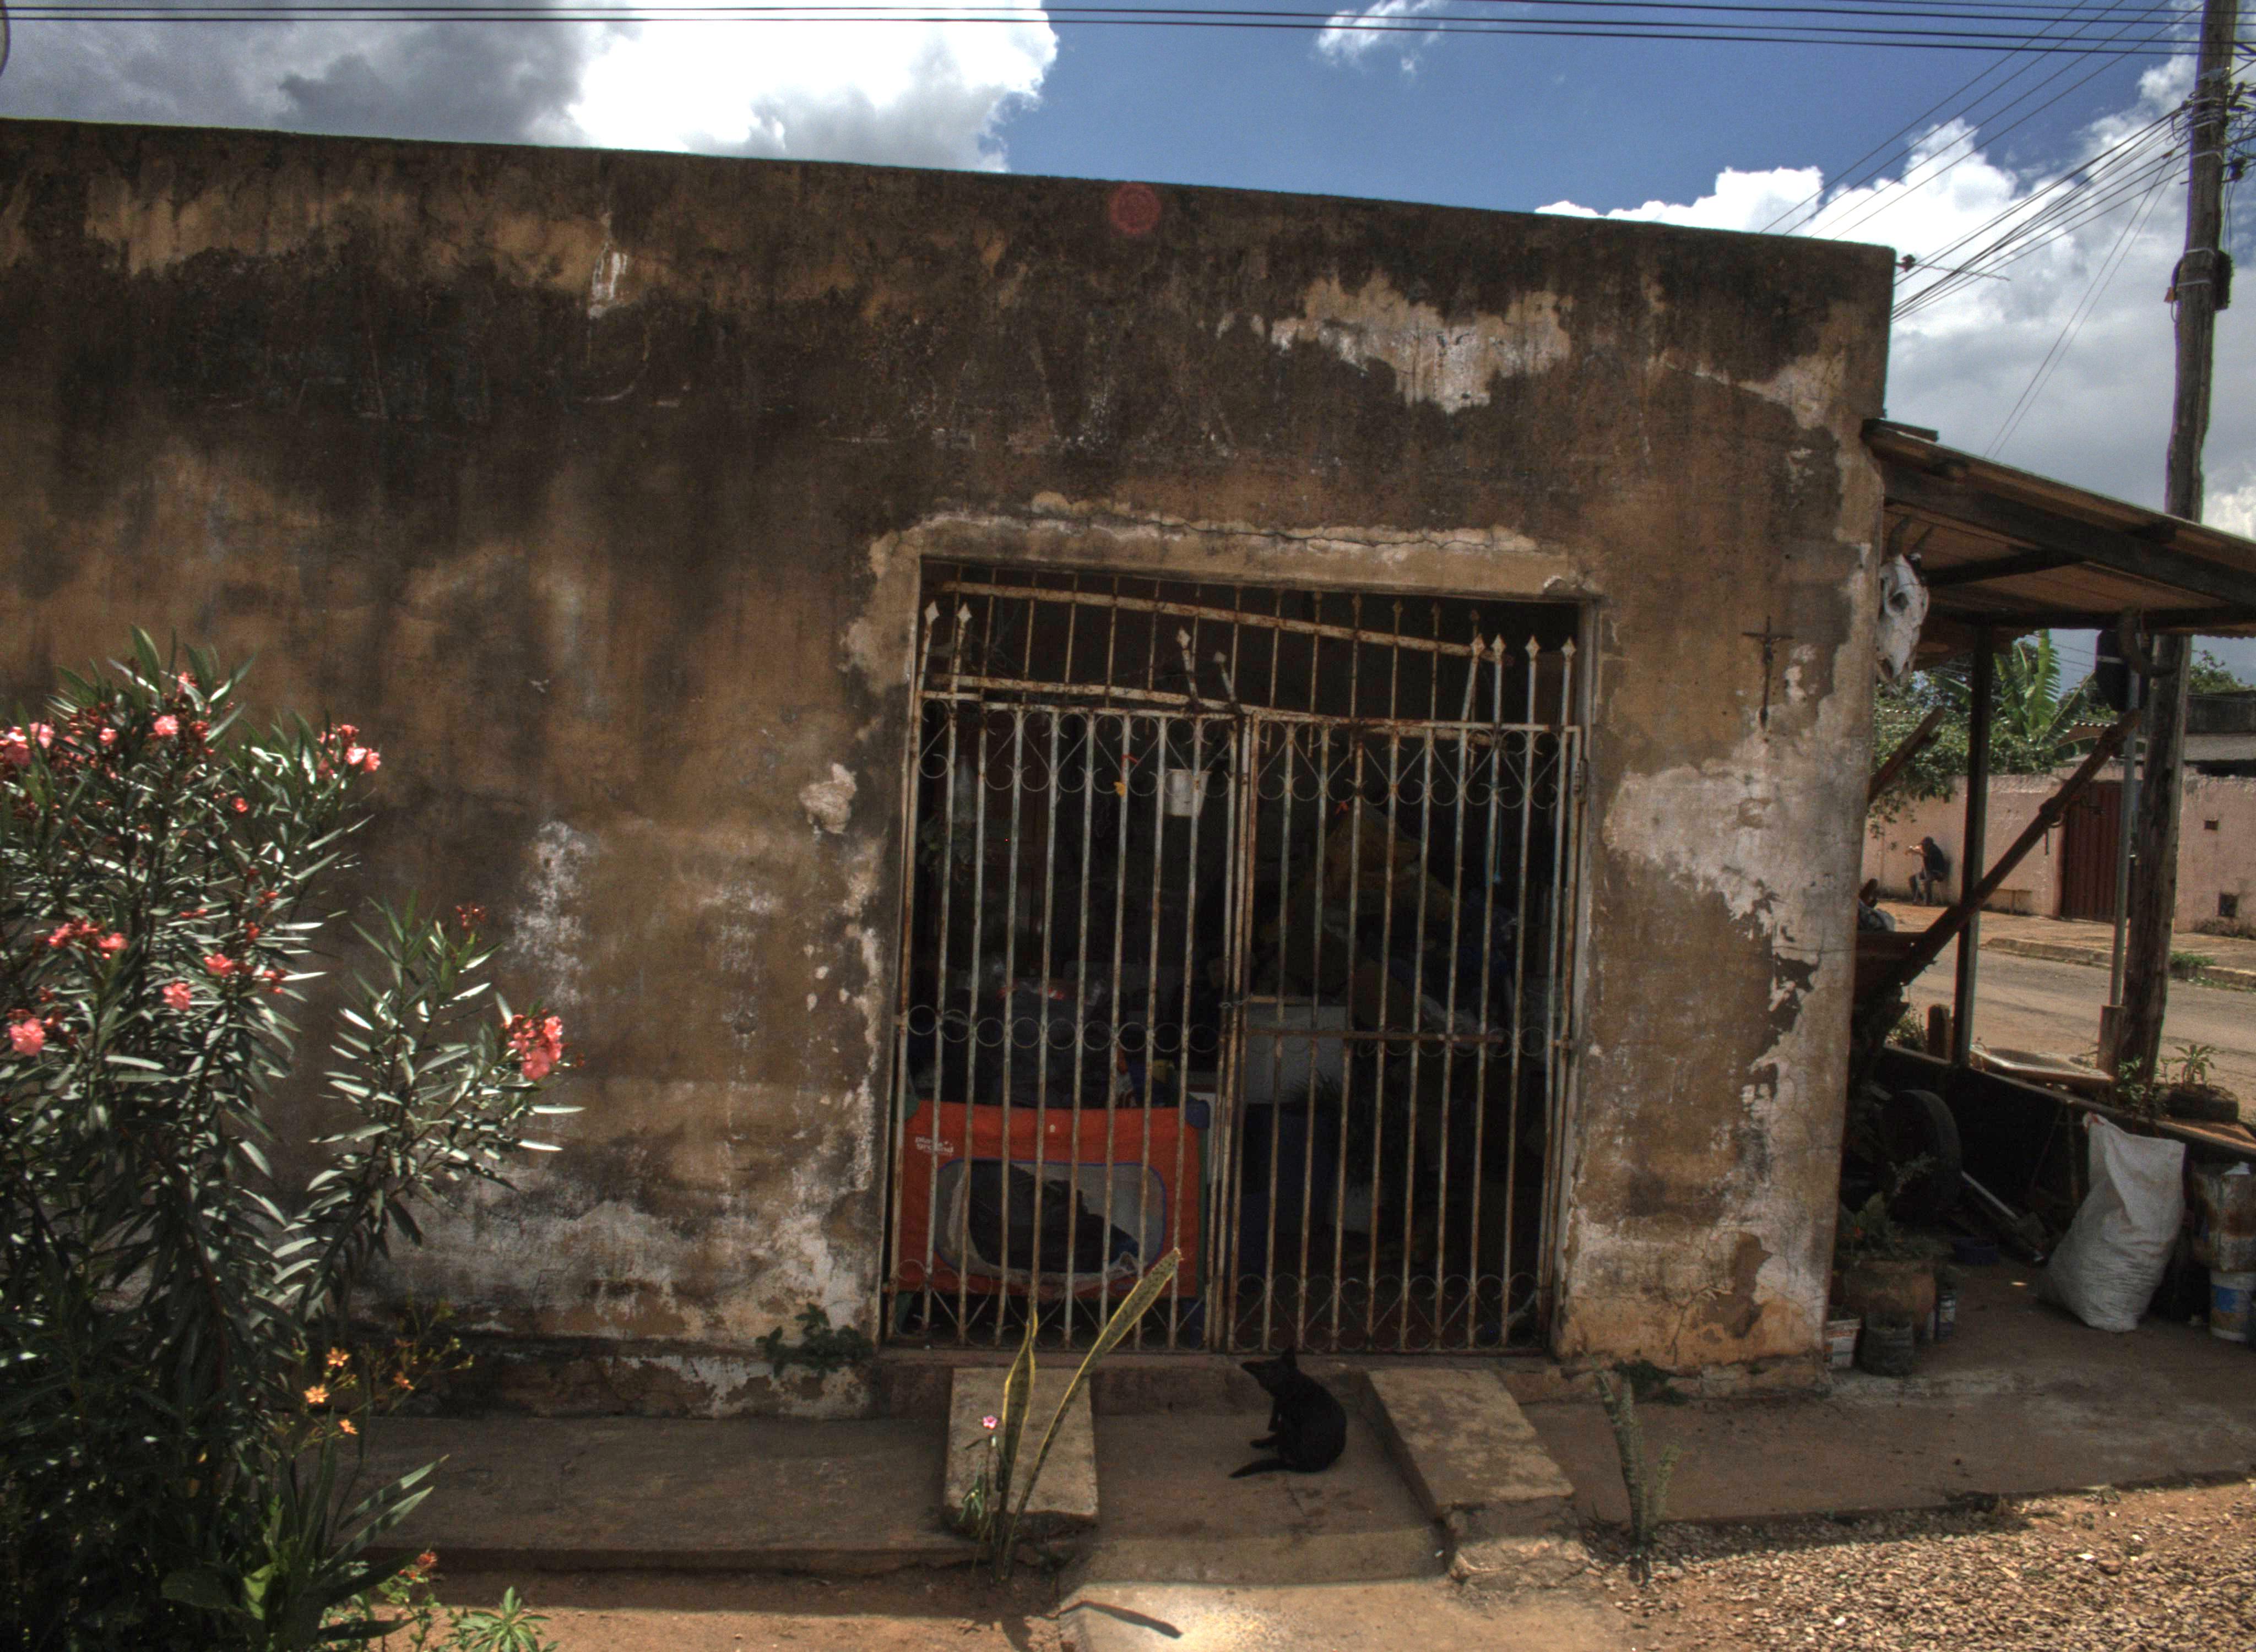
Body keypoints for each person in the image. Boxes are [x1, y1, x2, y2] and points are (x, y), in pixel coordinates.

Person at [1910, 836, 1950, 905]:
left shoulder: (1935, 851)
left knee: (1927, 881)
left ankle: (1929, 900)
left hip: (1936, 873)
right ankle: (1919, 898)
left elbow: (1929, 863)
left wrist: (1922, 854)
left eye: (1924, 845)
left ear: (1929, 845)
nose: (1922, 847)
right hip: (1927, 872)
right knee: (1912, 879)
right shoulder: (1927, 850)